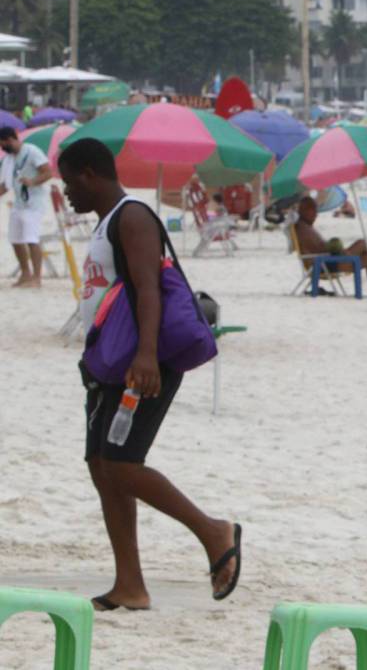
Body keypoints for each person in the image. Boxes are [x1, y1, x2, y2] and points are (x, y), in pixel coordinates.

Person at [57, 138, 241, 611]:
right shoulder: (107, 222)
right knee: (102, 467)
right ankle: (130, 585)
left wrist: (145, 356)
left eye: (69, 182)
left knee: (121, 464)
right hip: (111, 362)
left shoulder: (132, 216)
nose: (68, 193)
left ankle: (213, 531)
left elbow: (148, 290)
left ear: (89, 174)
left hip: (142, 364)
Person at [293, 196, 367, 294]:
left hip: (327, 260)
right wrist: (336, 247)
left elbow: (318, 247)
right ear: (305, 211)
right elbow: (319, 248)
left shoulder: (304, 227)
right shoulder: (304, 229)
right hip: (325, 264)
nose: (316, 215)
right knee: (362, 243)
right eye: (313, 211)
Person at [0, 126, 53, 287]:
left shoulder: (31, 151)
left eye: (2, 143)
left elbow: (47, 172)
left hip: (34, 202)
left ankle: (37, 277)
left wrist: (32, 181)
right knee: (15, 239)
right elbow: (5, 185)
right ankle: (25, 273)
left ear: (10, 139)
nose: (2, 147)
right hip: (19, 203)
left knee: (31, 238)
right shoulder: (9, 158)